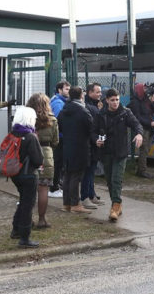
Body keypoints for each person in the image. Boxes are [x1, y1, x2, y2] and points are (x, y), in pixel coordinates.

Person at [96, 88, 143, 221]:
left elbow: (136, 124)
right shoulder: (101, 114)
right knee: (110, 180)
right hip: (106, 152)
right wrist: (96, 139)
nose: (115, 102)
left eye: (117, 99)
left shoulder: (125, 113)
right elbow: (93, 130)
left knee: (116, 179)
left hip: (121, 152)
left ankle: (115, 206)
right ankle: (116, 204)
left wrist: (139, 134)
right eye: (112, 100)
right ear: (107, 101)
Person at [8, 106, 43, 248]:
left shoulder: (13, 134)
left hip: (15, 174)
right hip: (29, 175)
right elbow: (38, 160)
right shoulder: (30, 137)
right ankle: (24, 238)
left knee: (22, 201)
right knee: (28, 205)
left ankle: (16, 229)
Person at [58, 86, 94, 214]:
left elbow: (59, 127)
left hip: (67, 146)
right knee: (76, 176)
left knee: (68, 175)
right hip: (80, 147)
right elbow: (91, 128)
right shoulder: (83, 111)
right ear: (81, 96)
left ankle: (66, 203)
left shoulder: (63, 111)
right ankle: (75, 204)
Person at [26, 93, 58, 229]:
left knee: (28, 190)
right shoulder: (53, 120)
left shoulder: (27, 118)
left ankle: (27, 219)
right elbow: (56, 141)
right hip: (46, 154)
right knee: (43, 189)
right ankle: (42, 219)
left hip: (29, 155)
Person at [81, 82, 105, 209]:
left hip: (94, 144)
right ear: (90, 93)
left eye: (100, 92)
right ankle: (85, 197)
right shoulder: (90, 107)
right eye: (97, 92)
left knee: (92, 171)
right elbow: (92, 126)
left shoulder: (96, 106)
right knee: (88, 172)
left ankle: (92, 195)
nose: (100, 94)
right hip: (90, 144)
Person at [128, 83, 154, 179]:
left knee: (147, 148)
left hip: (149, 128)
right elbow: (137, 117)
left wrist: (153, 102)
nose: (145, 90)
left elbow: (152, 111)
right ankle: (142, 171)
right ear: (139, 89)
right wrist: (150, 123)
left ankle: (141, 169)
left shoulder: (145, 99)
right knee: (144, 149)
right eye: (143, 88)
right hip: (143, 128)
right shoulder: (135, 102)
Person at [49, 80, 70, 198]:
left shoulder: (62, 101)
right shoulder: (57, 103)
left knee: (59, 162)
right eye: (66, 89)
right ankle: (54, 188)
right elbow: (58, 121)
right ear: (59, 90)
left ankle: (56, 184)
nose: (68, 91)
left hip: (61, 136)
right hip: (60, 137)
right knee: (58, 162)